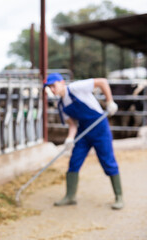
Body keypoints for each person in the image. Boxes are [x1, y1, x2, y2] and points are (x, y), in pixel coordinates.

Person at [44, 73, 123, 210]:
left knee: (108, 161)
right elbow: (73, 125)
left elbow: (102, 81)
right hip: (83, 131)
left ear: (62, 82)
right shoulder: (61, 105)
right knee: (74, 161)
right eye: (49, 88)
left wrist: (109, 101)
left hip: (99, 128)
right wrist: (69, 138)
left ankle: (119, 197)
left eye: (53, 85)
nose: (52, 89)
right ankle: (70, 196)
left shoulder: (76, 88)